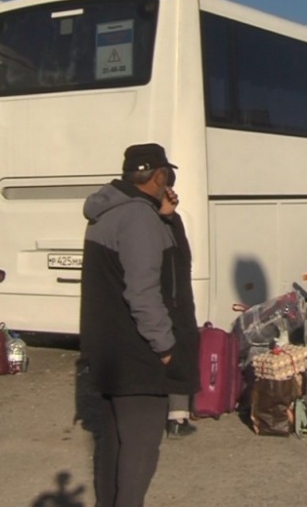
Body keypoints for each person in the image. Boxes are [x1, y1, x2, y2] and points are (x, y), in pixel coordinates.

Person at [80, 143, 200, 506]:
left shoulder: (111, 212)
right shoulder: (139, 219)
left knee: (114, 444)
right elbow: (144, 293)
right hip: (139, 355)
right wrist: (165, 349)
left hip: (110, 350)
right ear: (160, 176)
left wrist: (166, 215)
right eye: (169, 175)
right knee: (141, 450)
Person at [159, 168, 201, 438]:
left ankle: (178, 413)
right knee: (177, 348)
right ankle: (177, 417)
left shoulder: (171, 219)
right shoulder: (159, 221)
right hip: (171, 301)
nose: (173, 193)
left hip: (175, 298)